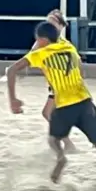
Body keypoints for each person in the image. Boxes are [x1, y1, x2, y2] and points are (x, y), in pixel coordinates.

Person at [6, 20, 96, 183]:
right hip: (86, 103)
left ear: (42, 40)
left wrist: (13, 99)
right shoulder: (70, 48)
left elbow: (11, 70)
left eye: (37, 40)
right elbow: (79, 68)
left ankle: (60, 158)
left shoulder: (40, 54)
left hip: (64, 107)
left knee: (53, 140)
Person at [35, 9, 76, 154]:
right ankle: (66, 142)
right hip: (55, 83)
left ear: (60, 26)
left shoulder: (61, 44)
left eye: (53, 22)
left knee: (49, 113)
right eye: (48, 22)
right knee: (50, 113)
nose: (49, 25)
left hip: (60, 84)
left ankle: (67, 142)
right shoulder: (47, 41)